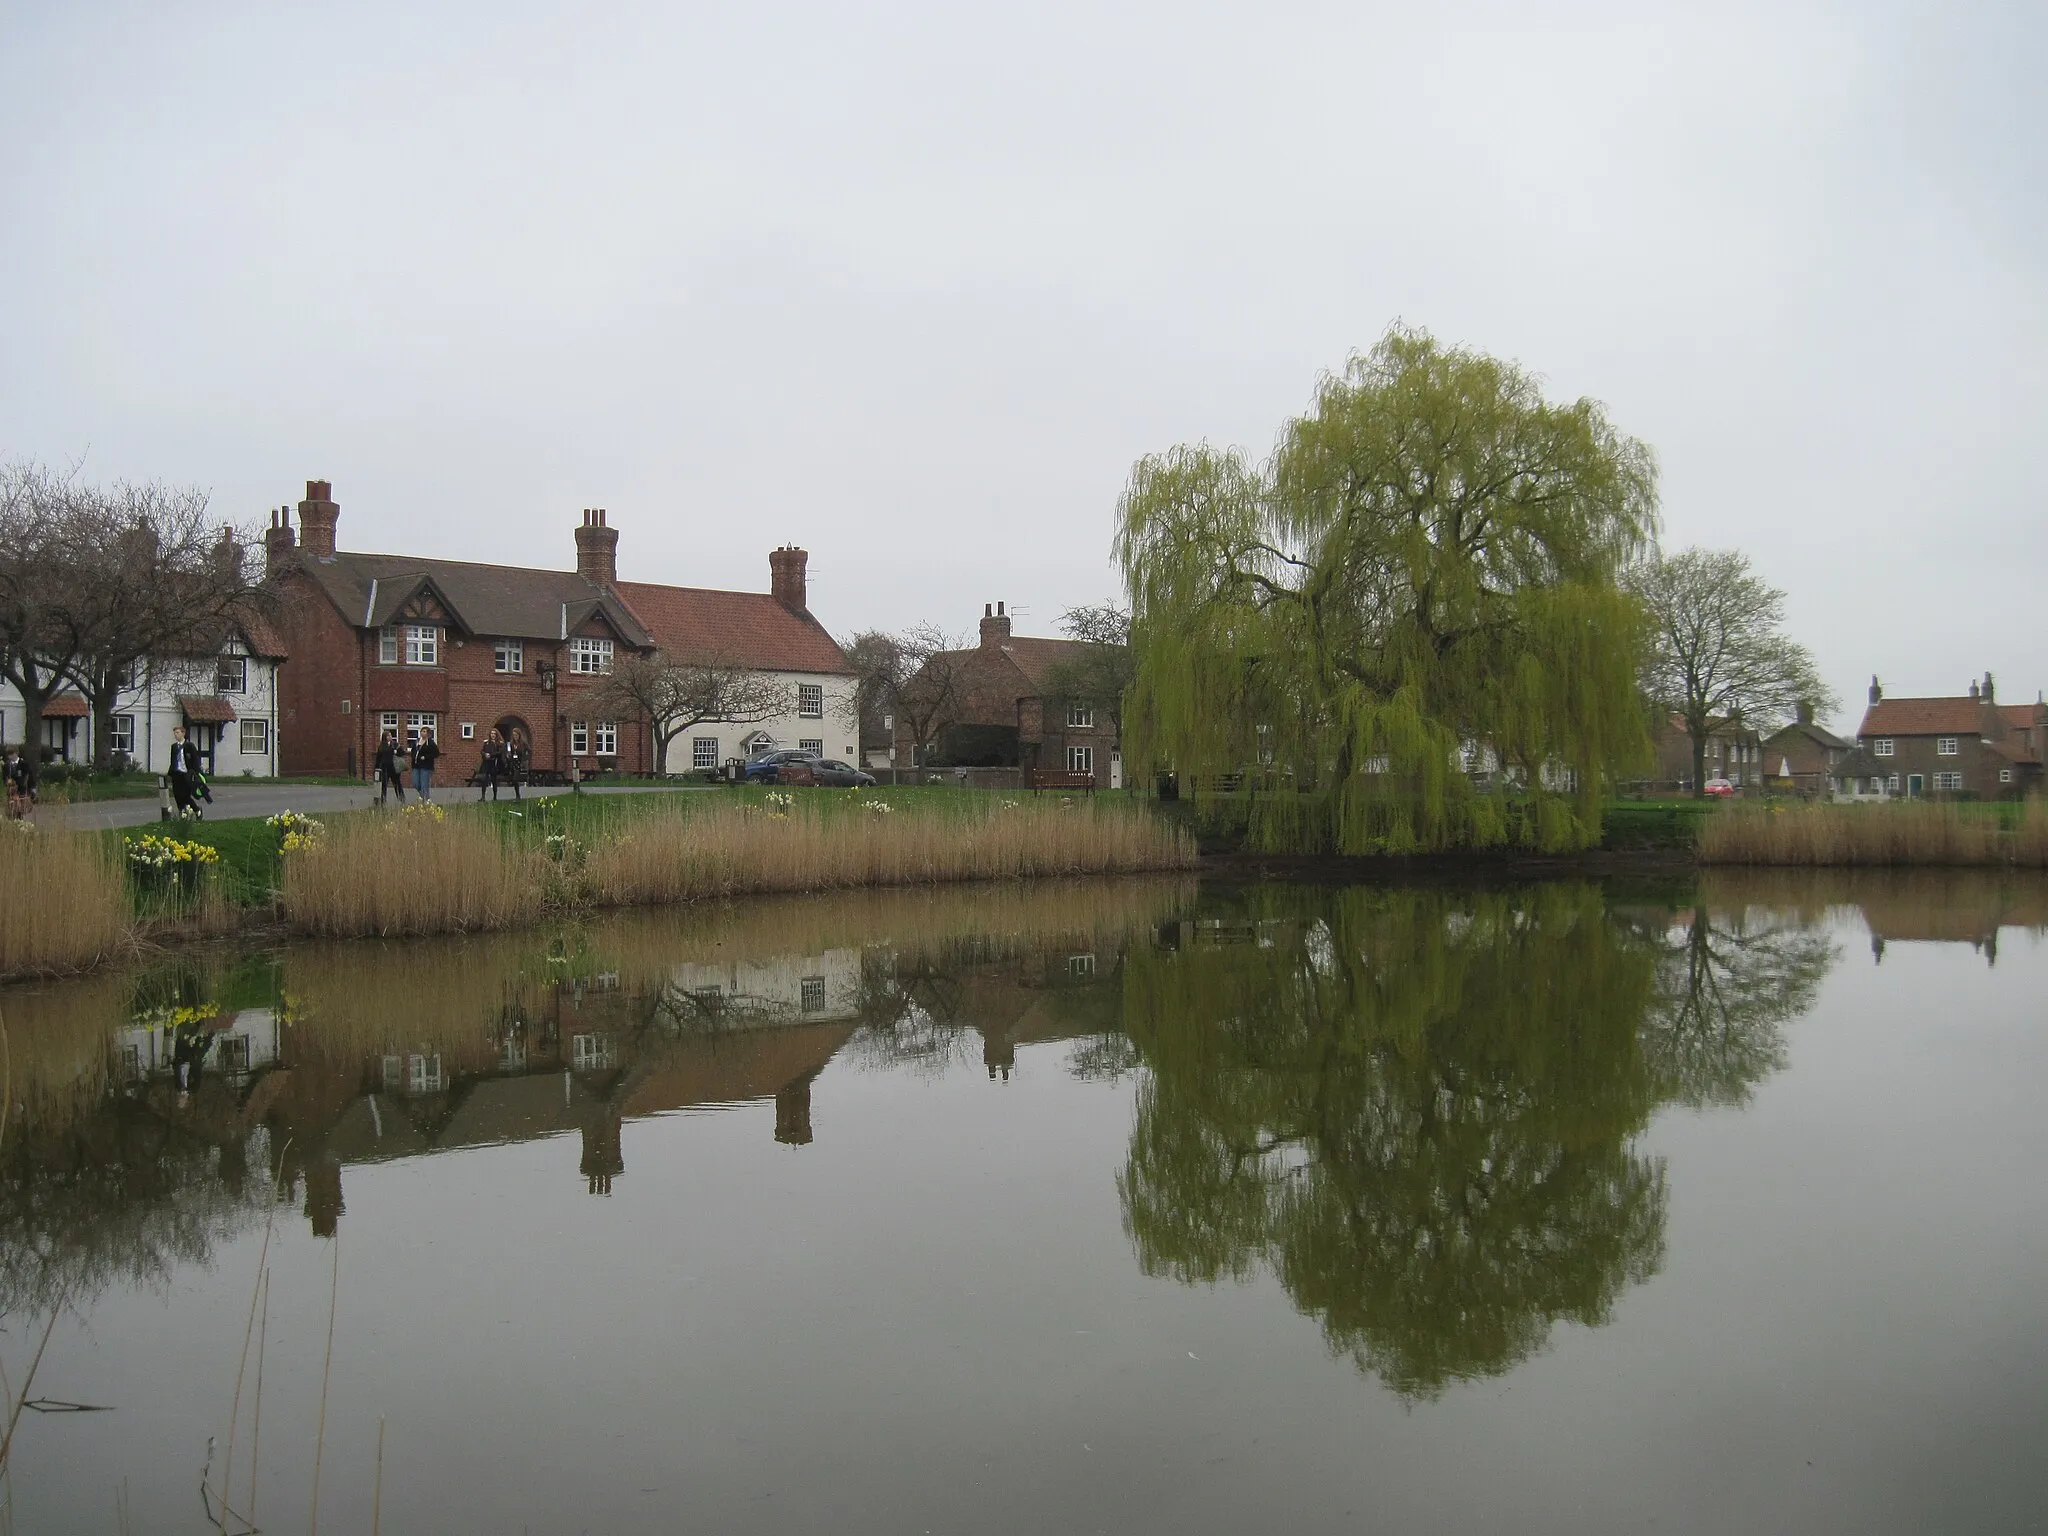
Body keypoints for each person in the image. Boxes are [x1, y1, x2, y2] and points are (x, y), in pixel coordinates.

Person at [167, 725, 205, 819]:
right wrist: (170, 772)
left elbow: (195, 761)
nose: (176, 735)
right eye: (175, 733)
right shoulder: (174, 747)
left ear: (183, 733)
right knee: (177, 795)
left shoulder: (189, 746)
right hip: (177, 774)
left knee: (185, 795)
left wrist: (196, 774)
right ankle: (182, 812)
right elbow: (173, 760)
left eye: (178, 732)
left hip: (187, 774)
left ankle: (197, 810)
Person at [374, 730, 406, 805]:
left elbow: (402, 753)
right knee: (384, 784)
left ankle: (401, 798)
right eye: (388, 736)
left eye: (390, 735)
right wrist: (376, 768)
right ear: (385, 737)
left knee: (397, 784)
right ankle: (382, 800)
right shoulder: (381, 746)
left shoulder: (395, 744)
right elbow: (378, 758)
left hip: (394, 768)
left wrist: (397, 751)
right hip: (384, 768)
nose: (390, 737)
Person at [4, 747, 34, 820]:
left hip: (21, 789)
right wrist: (7, 782)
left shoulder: (24, 763)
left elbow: (29, 776)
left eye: (12, 754)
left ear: (17, 753)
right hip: (11, 790)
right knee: (11, 808)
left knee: (21, 809)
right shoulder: (6, 765)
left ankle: (20, 820)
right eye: (8, 754)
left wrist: (32, 788)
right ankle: (13, 821)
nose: (10, 756)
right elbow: (4, 777)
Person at [413, 726, 441, 801]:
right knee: (416, 783)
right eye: (422, 731)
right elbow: (413, 751)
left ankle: (426, 799)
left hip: (426, 766)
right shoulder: (417, 741)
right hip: (416, 765)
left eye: (425, 731)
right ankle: (422, 794)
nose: (423, 733)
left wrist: (426, 757)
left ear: (428, 734)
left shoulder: (430, 743)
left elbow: (436, 753)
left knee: (424, 784)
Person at [479, 728, 504, 801]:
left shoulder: (499, 743)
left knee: (494, 780)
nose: (493, 735)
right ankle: (483, 797)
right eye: (492, 733)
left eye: (494, 734)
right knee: (484, 779)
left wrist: (491, 755)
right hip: (486, 763)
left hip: (494, 763)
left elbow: (499, 753)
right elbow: (482, 751)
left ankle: (495, 797)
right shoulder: (486, 743)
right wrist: (485, 754)